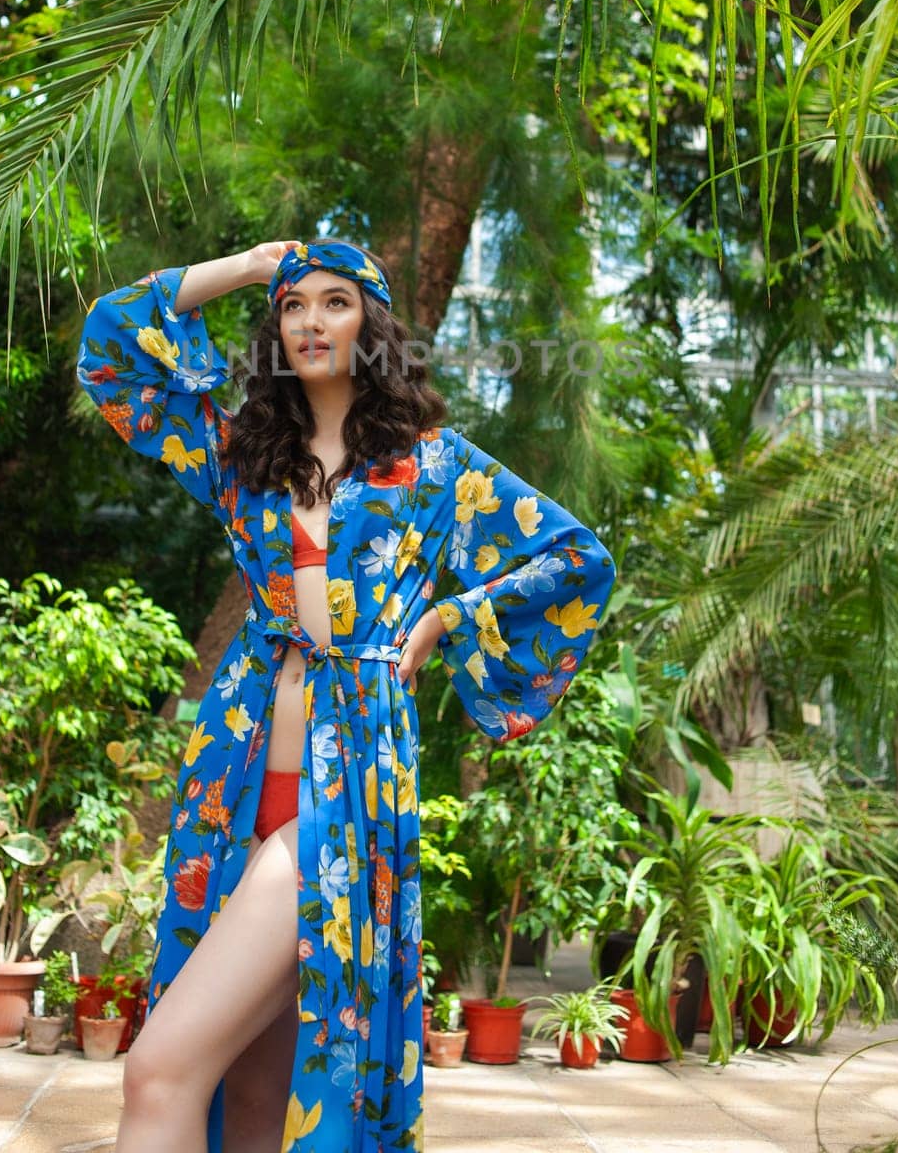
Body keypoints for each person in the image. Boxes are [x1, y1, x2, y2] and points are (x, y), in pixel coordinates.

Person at [76, 237, 617, 1153]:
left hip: (342, 796)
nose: (310, 322)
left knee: (156, 1070)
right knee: (255, 1097)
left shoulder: (432, 467)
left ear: (371, 324)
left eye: (334, 302)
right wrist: (251, 264)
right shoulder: (243, 453)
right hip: (233, 788)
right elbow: (114, 337)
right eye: (291, 306)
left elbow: (574, 560)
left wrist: (450, 615)